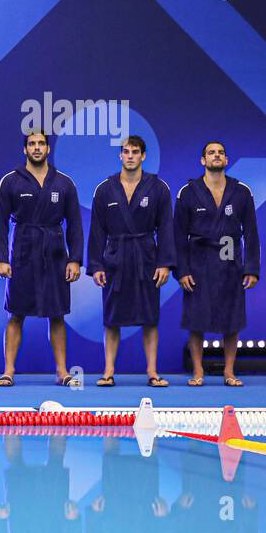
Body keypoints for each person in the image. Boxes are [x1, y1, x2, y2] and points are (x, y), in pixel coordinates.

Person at [0, 131, 85, 387]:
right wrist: (0, 258)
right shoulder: (10, 181)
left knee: (57, 314)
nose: (36, 148)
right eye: (31, 144)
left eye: (41, 143)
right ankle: (8, 370)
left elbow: (75, 223)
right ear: (25, 150)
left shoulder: (64, 183)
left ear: (48, 149)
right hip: (22, 251)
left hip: (54, 253)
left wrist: (75, 259)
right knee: (16, 314)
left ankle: (62, 371)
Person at [87, 135, 175, 387]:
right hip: (115, 257)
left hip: (146, 256)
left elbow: (166, 228)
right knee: (111, 318)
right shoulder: (105, 189)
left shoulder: (158, 188)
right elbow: (97, 231)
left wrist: (164, 263)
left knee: (150, 317)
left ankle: (152, 372)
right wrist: (96, 265)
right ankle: (108, 371)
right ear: (120, 156)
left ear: (143, 156)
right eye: (125, 151)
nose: (130, 156)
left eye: (135, 152)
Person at [174, 141, 261, 387]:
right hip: (198, 262)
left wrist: (251, 269)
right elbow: (178, 236)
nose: (216, 156)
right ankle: (198, 371)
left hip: (230, 262)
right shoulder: (188, 192)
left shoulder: (242, 191)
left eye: (221, 153)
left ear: (226, 160)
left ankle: (229, 371)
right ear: (203, 160)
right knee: (196, 319)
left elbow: (252, 233)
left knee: (231, 319)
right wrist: (182, 270)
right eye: (211, 153)